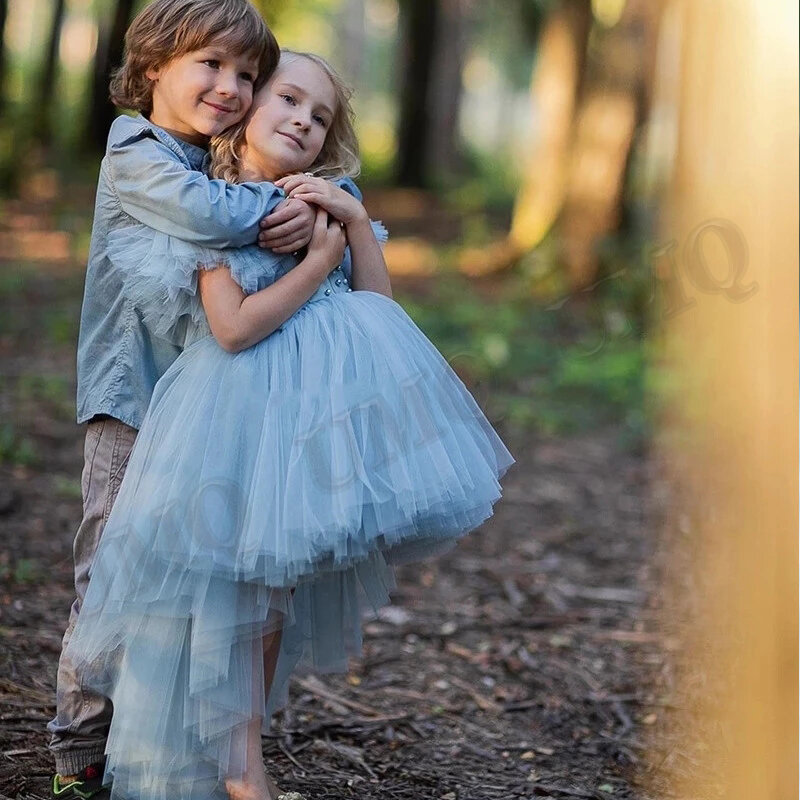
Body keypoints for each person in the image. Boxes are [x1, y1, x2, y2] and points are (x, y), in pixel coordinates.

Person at [61, 50, 516, 800]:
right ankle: (223, 765)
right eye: (289, 101)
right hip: (234, 420)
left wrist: (353, 220)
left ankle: (243, 755)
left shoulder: (330, 198)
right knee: (225, 591)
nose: (303, 120)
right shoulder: (212, 202)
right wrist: (317, 260)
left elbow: (377, 300)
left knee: (272, 595)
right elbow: (233, 328)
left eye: (320, 115)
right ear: (243, 116)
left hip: (302, 430)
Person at [45, 2, 321, 798]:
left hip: (195, 412)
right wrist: (288, 210)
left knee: (176, 577)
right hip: (132, 400)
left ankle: (153, 739)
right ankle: (77, 753)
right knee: (110, 575)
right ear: (155, 64)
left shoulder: (218, 161)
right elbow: (203, 217)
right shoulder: (136, 150)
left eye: (247, 75)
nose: (231, 87)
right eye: (211, 64)